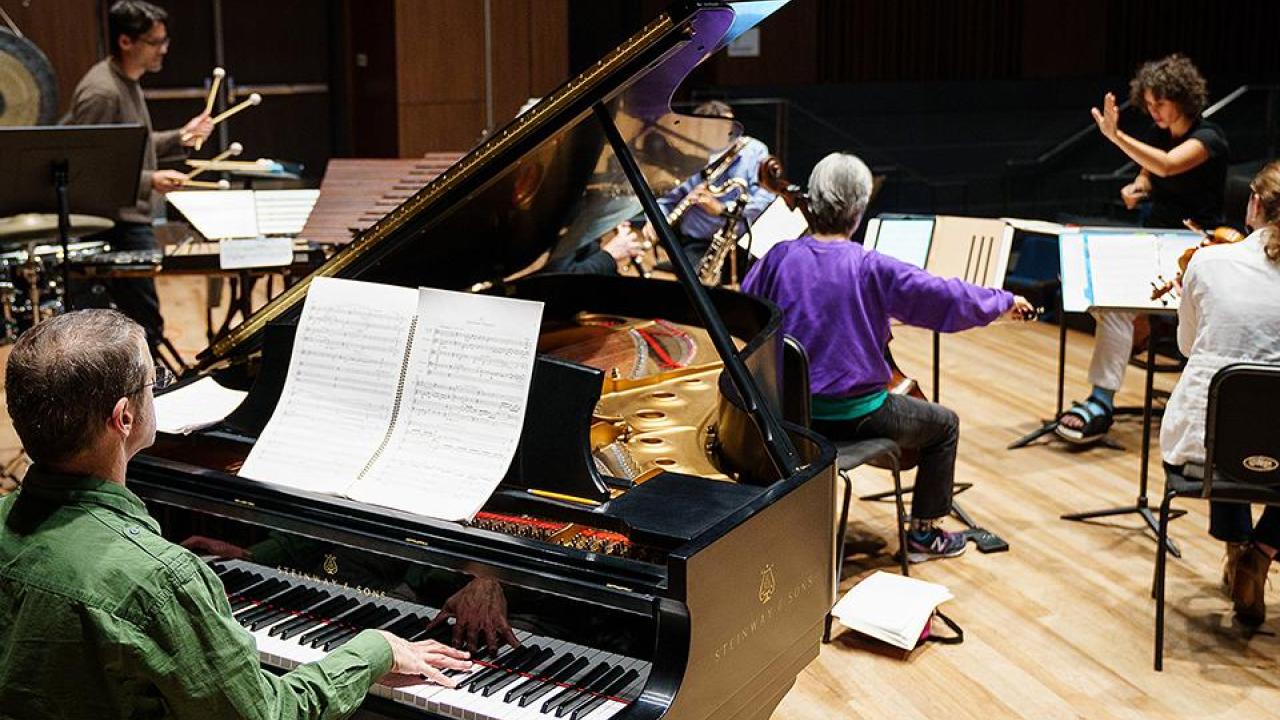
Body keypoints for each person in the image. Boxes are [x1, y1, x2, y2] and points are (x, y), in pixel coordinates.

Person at [0, 310, 472, 719]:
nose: (159, 391)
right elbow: (269, 714)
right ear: (124, 418)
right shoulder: (160, 580)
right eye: (155, 381)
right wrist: (375, 649)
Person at [741, 153, 1035, 563]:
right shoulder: (870, 267)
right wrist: (1001, 302)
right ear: (859, 211)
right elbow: (944, 295)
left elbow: (745, 313)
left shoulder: (777, 257)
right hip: (853, 415)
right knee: (944, 425)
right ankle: (923, 536)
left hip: (788, 415)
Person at [1058, 54, 1230, 444]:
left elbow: (1168, 166)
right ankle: (1101, 400)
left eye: (1160, 103)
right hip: (1156, 239)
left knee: (1125, 309)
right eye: (1148, 104)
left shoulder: (1209, 137)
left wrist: (1115, 136)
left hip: (1198, 249)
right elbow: (1150, 174)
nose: (1153, 111)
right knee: (1112, 304)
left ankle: (1195, 404)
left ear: (1182, 98)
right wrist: (1138, 189)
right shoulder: (1157, 136)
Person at [1160, 160, 1280, 625]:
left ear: (1254, 204)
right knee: (1263, 425)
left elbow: (1189, 347)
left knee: (1232, 419)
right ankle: (1262, 551)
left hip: (1204, 449)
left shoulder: (1209, 261)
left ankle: (1236, 544)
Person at [65, 1, 214, 351]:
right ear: (126, 42)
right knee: (143, 327)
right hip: (114, 225)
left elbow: (132, 148)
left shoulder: (125, 81)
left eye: (164, 40)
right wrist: (151, 180)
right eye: (155, 41)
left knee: (146, 324)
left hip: (129, 218)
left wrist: (180, 137)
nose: (164, 49)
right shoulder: (102, 93)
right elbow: (89, 169)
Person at [645, 100, 776, 274]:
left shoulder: (754, 151)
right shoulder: (686, 154)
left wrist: (723, 209)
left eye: (732, 129)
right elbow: (666, 199)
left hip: (743, 241)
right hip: (700, 243)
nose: (731, 136)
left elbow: (764, 200)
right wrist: (654, 222)